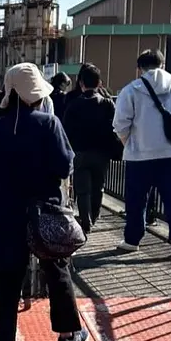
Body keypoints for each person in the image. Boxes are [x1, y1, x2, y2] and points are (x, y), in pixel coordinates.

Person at [0, 62, 89, 341]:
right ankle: (68, 336)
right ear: (35, 95)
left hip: (4, 216)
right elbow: (65, 166)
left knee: (8, 285)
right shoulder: (49, 124)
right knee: (57, 270)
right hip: (45, 213)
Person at [114, 49, 171, 259]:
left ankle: (132, 240)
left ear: (139, 69)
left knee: (137, 198)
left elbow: (120, 123)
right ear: (163, 65)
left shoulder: (132, 90)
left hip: (140, 153)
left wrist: (129, 142)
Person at [63, 64, 116, 234]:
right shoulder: (108, 104)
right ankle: (94, 216)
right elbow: (115, 127)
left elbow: (66, 131)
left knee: (83, 189)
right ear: (99, 83)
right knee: (98, 186)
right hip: (102, 152)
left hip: (80, 152)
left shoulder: (73, 104)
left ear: (81, 83)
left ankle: (86, 221)